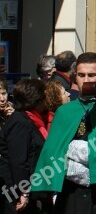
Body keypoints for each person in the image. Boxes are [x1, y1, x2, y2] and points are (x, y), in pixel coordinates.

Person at [32, 52, 96, 213]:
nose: (86, 80)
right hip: (72, 195)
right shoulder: (65, 112)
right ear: (74, 77)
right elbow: (53, 154)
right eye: (81, 75)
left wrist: (83, 153)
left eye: (92, 75)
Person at [0, 79, 50, 213]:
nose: (45, 103)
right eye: (43, 99)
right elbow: (18, 161)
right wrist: (24, 192)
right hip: (15, 192)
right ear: (36, 101)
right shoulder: (20, 122)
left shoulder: (29, 120)